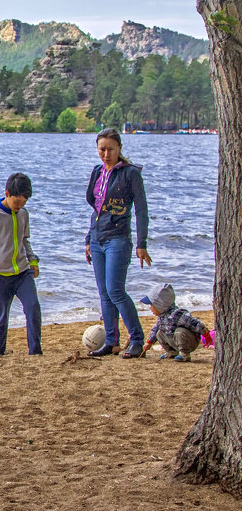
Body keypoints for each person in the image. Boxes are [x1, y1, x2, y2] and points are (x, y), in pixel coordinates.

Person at [84, 127, 152, 359]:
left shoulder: (130, 173)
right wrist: (88, 239)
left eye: (110, 149)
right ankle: (112, 342)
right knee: (104, 293)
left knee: (116, 290)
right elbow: (96, 209)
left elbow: (141, 210)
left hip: (118, 239)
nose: (105, 154)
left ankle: (137, 339)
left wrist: (142, 242)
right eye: (101, 149)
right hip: (97, 238)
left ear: (119, 148)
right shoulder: (97, 172)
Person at [0, 172, 42, 356]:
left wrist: (33, 260)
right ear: (7, 194)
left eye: (24, 202)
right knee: (0, 319)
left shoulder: (23, 214)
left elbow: (25, 240)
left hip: (22, 273)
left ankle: (36, 352)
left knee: (33, 308)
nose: (20, 206)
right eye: (17, 202)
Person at [138, 282, 207, 363]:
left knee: (179, 332)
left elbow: (194, 323)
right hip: (174, 341)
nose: (150, 308)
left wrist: (206, 333)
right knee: (159, 333)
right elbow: (155, 329)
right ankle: (172, 352)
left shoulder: (177, 314)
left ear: (160, 305)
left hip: (189, 342)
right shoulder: (162, 317)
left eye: (151, 305)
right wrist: (149, 342)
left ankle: (185, 354)